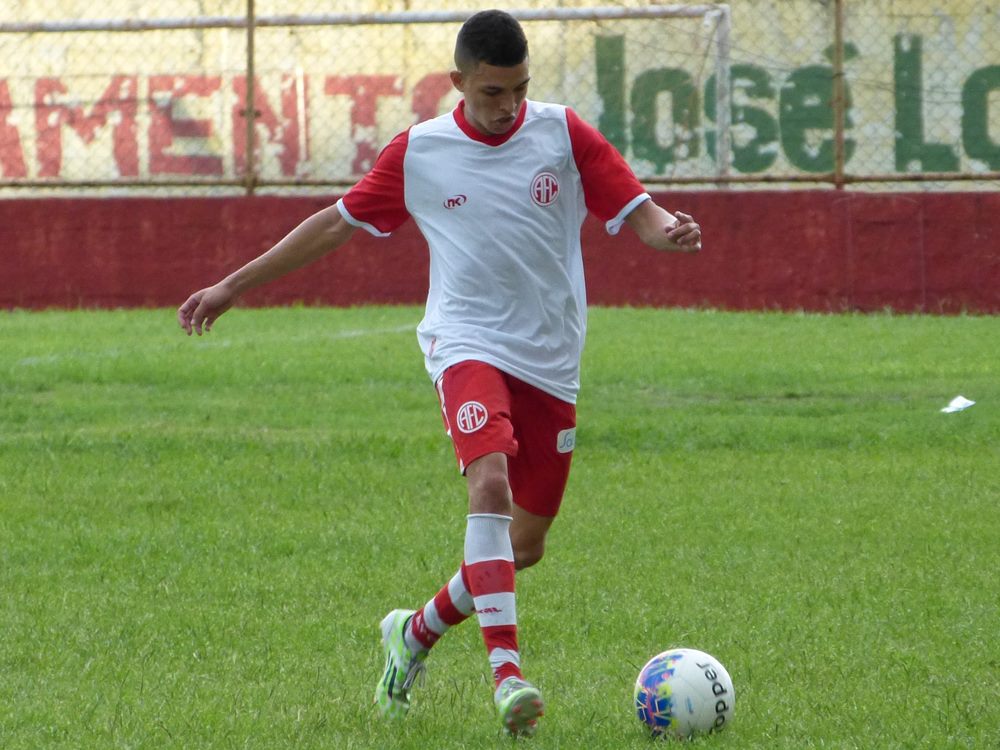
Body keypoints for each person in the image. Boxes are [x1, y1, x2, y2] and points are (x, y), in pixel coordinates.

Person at [177, 8, 701, 737]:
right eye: (492, 92)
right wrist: (234, 285)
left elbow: (639, 209)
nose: (509, 105)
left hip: (550, 360)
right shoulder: (420, 151)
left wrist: (669, 231)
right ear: (458, 82)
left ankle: (414, 630)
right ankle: (507, 676)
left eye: (519, 88)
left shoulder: (562, 132)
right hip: (466, 341)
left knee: (524, 546)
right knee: (488, 482)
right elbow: (333, 224)